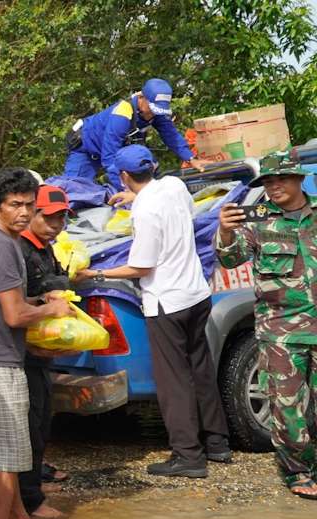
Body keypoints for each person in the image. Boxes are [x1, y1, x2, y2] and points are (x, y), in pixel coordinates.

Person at [74, 146, 230, 478]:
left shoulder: (143, 213)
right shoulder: (174, 185)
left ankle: (188, 456)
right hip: (196, 294)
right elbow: (176, 208)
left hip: (167, 303)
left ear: (124, 177)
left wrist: (95, 274)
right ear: (155, 167)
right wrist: (134, 197)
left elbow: (141, 267)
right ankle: (217, 443)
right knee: (200, 368)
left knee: (173, 380)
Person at [0, 168, 75, 519]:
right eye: (15, 205)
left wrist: (44, 305)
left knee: (4, 454)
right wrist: (52, 309)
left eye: (30, 204)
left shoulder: (4, 243)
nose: (25, 212)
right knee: (10, 456)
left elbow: (15, 306)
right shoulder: (0, 247)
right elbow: (14, 315)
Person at [215, 151, 317, 499]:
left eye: (281, 179)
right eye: (268, 182)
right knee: (286, 407)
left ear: (299, 179)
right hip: (281, 333)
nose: (274, 186)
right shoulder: (257, 220)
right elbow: (231, 259)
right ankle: (298, 471)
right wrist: (225, 233)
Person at [18, 185, 78, 518]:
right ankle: (28, 499)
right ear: (32, 213)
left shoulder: (45, 249)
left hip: (42, 351)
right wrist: (46, 301)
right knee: (28, 424)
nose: (56, 223)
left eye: (62, 217)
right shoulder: (19, 249)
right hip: (23, 349)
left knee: (41, 420)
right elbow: (14, 303)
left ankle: (34, 484)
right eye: (50, 216)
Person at [63, 78, 207, 197]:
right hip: (88, 149)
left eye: (158, 110)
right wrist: (128, 190)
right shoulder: (122, 115)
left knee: (149, 166)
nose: (153, 114)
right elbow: (109, 157)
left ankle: (112, 180)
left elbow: (170, 134)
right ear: (141, 98)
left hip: (121, 149)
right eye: (151, 109)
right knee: (73, 190)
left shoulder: (154, 111)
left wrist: (191, 159)